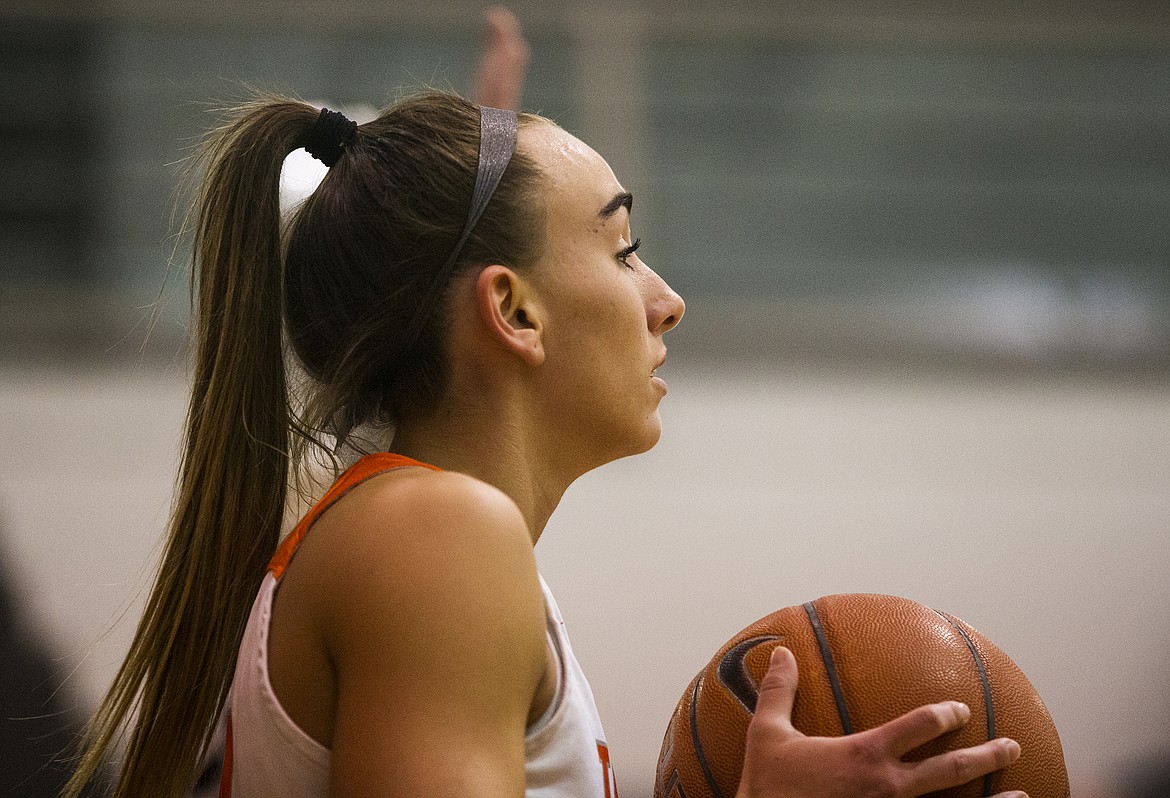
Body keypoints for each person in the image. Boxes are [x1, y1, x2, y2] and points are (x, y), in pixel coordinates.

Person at [64, 39, 1027, 798]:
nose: (667, 299)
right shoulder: (436, 537)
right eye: (623, 247)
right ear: (514, 312)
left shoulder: (402, 529)